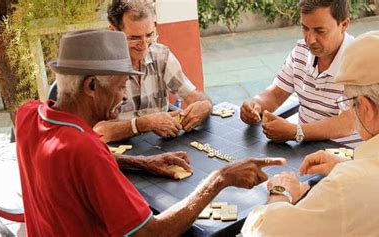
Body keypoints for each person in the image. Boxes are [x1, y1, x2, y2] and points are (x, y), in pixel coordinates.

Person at [15, 30, 285, 236]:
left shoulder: (28, 114)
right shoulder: (84, 149)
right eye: (121, 86)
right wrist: (221, 178)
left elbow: (72, 169)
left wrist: (140, 162)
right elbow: (151, 232)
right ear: (92, 85)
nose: (123, 96)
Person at [241, 31, 379, 236]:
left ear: (367, 108)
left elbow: (265, 233)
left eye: (349, 101)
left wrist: (281, 192)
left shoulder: (345, 188)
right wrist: (352, 164)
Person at [240, 0, 358, 145]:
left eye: (320, 31)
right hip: (305, 149)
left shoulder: (359, 60)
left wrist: (297, 132)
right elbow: (275, 95)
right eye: (305, 28)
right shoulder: (301, 50)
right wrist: (255, 106)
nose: (310, 39)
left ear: (344, 25)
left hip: (345, 156)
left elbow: (347, 123)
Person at [94, 0, 212, 143]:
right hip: (117, 154)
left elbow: (193, 96)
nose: (144, 46)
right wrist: (143, 124)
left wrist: (205, 106)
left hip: (158, 147)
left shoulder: (160, 55)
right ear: (114, 32)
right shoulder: (99, 70)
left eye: (149, 35)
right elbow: (96, 131)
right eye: (135, 38)